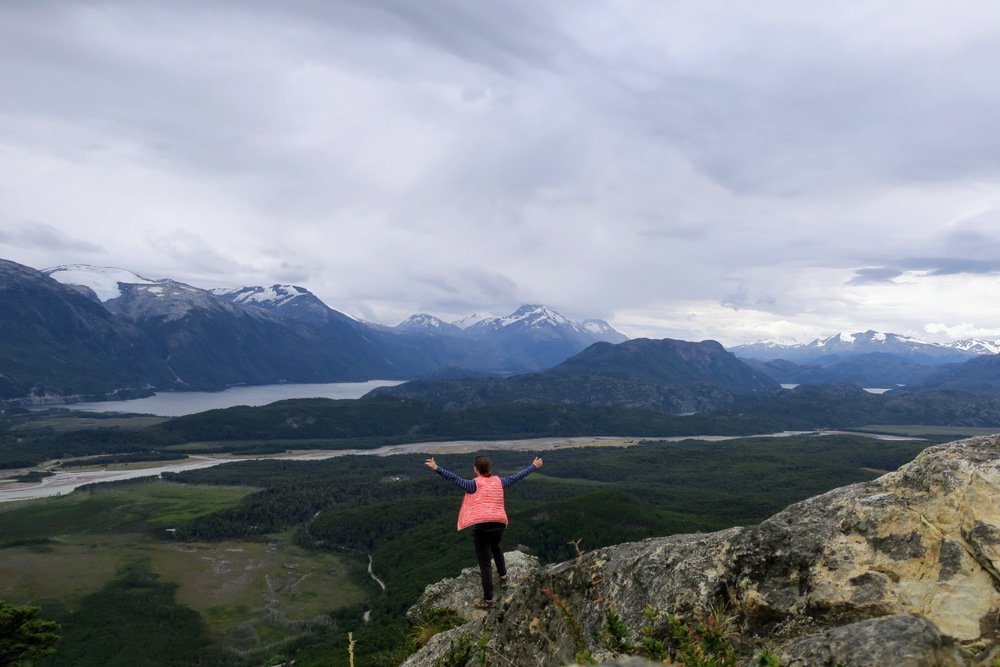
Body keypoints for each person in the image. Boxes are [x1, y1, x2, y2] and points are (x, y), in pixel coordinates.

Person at [425, 454, 543, 607]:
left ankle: (488, 599)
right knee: (496, 547)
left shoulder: (473, 485)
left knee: (485, 564)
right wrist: (533, 466)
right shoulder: (499, 482)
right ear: (489, 468)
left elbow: (454, 478)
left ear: (476, 469)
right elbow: (517, 477)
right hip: (499, 524)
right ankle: (503, 577)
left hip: (482, 528)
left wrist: (436, 468)